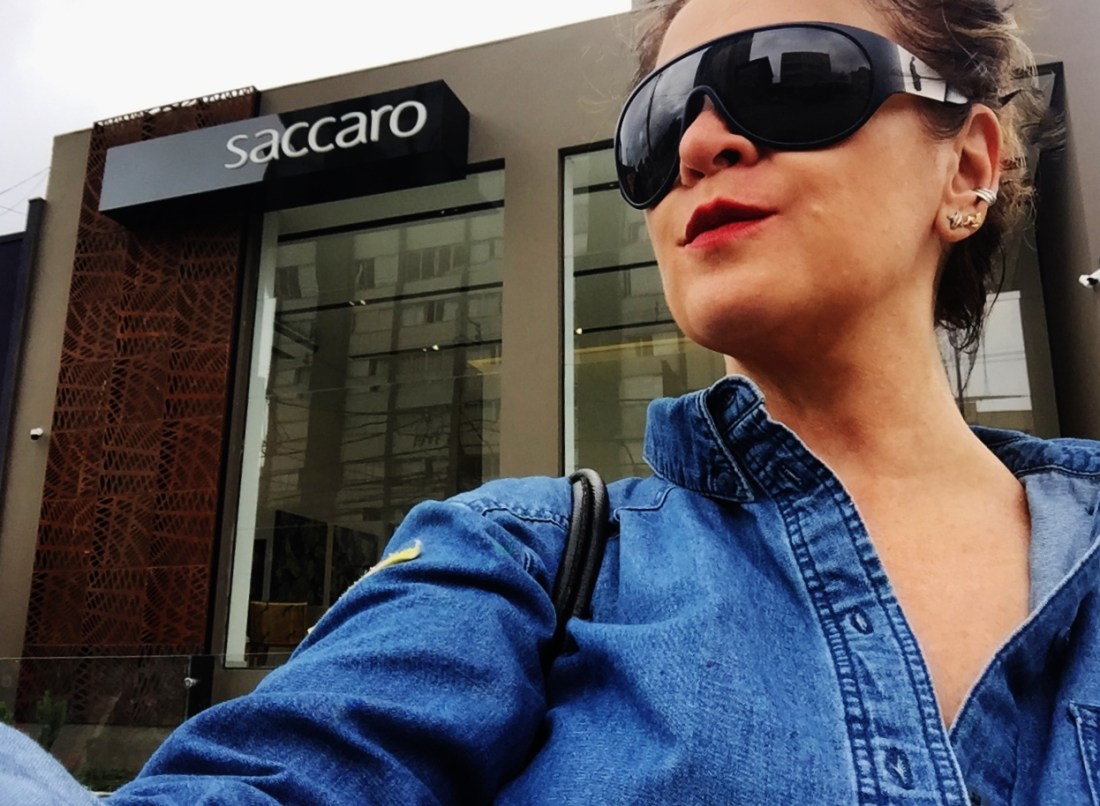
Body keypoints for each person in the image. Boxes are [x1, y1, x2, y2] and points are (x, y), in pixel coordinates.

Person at [3, 0, 1099, 802]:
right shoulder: (522, 561)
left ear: (967, 165)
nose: (699, 146)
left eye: (790, 74)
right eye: (656, 124)